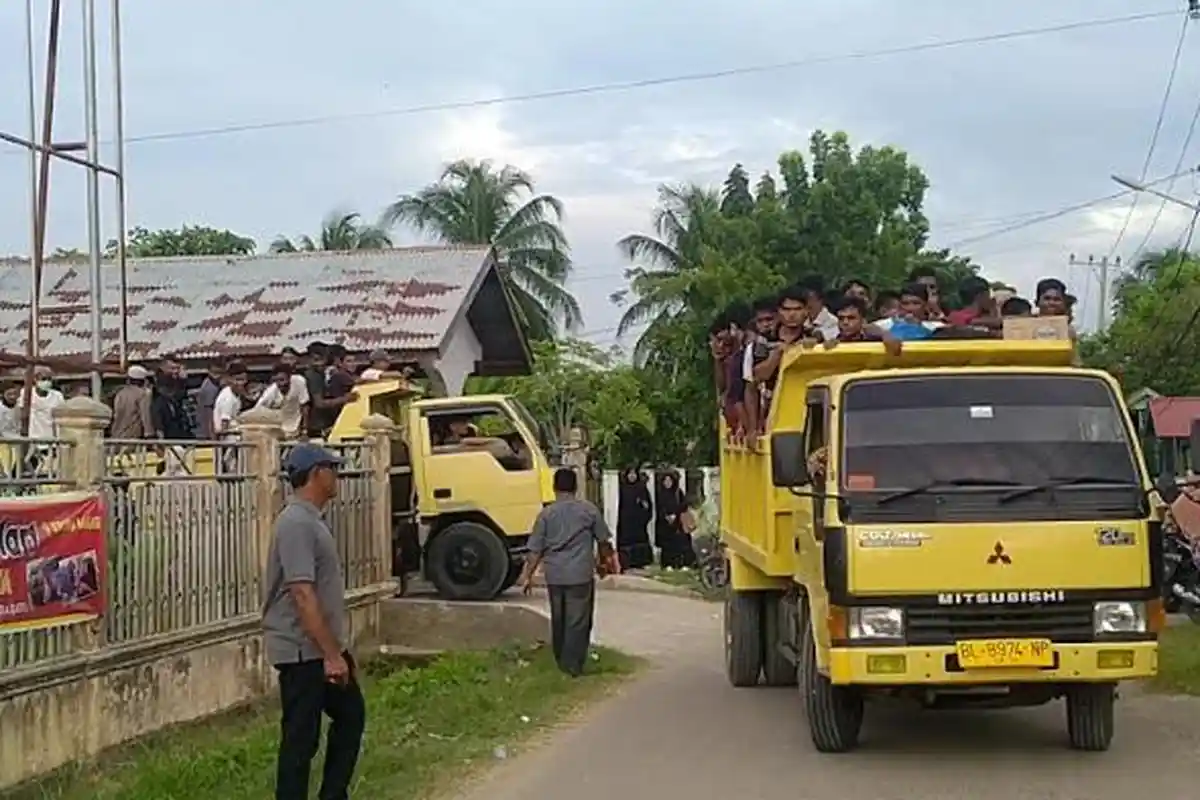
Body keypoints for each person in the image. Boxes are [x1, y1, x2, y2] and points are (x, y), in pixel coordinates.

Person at [263, 443, 364, 800]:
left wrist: (337, 650)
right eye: (332, 469)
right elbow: (302, 593)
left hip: (320, 649)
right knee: (300, 740)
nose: (336, 476)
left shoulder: (311, 521)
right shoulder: (295, 524)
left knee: (351, 716)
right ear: (317, 473)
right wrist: (331, 655)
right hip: (302, 652)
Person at [519, 468, 618, 677]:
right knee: (578, 621)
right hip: (580, 574)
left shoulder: (546, 514)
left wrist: (528, 576)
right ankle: (572, 665)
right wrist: (605, 564)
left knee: (559, 618)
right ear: (576, 487)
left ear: (554, 488)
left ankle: (561, 662)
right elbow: (604, 542)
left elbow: (535, 549)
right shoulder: (588, 511)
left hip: (555, 575)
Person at [256, 362, 311, 439]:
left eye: (282, 380)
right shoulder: (270, 392)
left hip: (296, 428)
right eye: (276, 380)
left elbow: (305, 406)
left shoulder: (299, 381)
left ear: (289, 377)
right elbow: (258, 410)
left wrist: (305, 430)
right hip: (277, 431)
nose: (280, 384)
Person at [872, 283, 945, 341]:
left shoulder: (936, 327)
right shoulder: (889, 323)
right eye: (905, 303)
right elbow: (867, 328)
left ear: (925, 305)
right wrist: (884, 334)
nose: (910, 308)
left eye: (916, 303)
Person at [615, 467, 654, 571]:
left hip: (639, 522)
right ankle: (626, 562)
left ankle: (640, 562)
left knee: (639, 541)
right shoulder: (623, 488)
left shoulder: (641, 488)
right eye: (630, 474)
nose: (632, 476)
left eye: (634, 474)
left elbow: (648, 504)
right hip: (626, 521)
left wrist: (645, 512)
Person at [654, 471, 690, 569]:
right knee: (667, 545)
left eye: (669, 480)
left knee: (679, 544)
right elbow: (658, 507)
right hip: (664, 524)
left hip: (678, 524)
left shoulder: (678, 493)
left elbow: (684, 505)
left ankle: (680, 563)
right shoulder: (660, 494)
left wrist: (675, 515)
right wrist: (666, 516)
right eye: (665, 481)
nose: (667, 483)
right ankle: (667, 564)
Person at [110, 365, 154, 439]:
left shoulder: (120, 393)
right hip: (133, 436)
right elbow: (145, 415)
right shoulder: (143, 394)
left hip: (116, 435)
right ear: (144, 380)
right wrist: (149, 434)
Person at [23, 365, 64, 440]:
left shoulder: (57, 396)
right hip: (32, 438)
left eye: (49, 379)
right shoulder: (26, 393)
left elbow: (59, 419)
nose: (47, 382)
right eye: (44, 379)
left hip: (50, 438)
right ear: (35, 379)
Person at [195, 361, 223, 440]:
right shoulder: (209, 387)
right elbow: (208, 412)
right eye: (215, 373)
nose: (217, 376)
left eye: (219, 373)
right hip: (206, 432)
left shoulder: (215, 384)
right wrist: (212, 434)